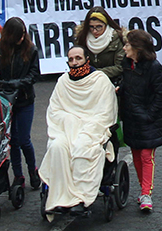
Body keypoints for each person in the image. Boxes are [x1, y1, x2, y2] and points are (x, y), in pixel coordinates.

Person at [40, 44, 120, 216]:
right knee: (57, 148)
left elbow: (106, 113)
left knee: (83, 147)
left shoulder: (100, 80)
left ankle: (81, 199)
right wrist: (72, 121)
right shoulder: (63, 82)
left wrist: (84, 125)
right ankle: (60, 198)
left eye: (78, 58)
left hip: (92, 130)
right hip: (66, 130)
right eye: (71, 59)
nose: (75, 62)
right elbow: (55, 110)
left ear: (87, 60)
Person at [0, 16, 42, 189]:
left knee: (24, 139)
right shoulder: (0, 48)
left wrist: (19, 83)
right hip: (5, 101)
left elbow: (34, 75)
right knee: (12, 141)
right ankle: (18, 176)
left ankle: (32, 169)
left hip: (24, 100)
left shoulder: (31, 50)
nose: (21, 38)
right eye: (17, 36)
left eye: (23, 34)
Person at [120, 29, 162, 213]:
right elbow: (128, 85)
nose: (124, 48)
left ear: (137, 49)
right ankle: (143, 191)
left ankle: (146, 193)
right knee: (136, 155)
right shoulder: (127, 65)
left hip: (147, 120)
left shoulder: (153, 67)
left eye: (127, 45)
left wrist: (149, 115)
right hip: (132, 118)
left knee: (146, 156)